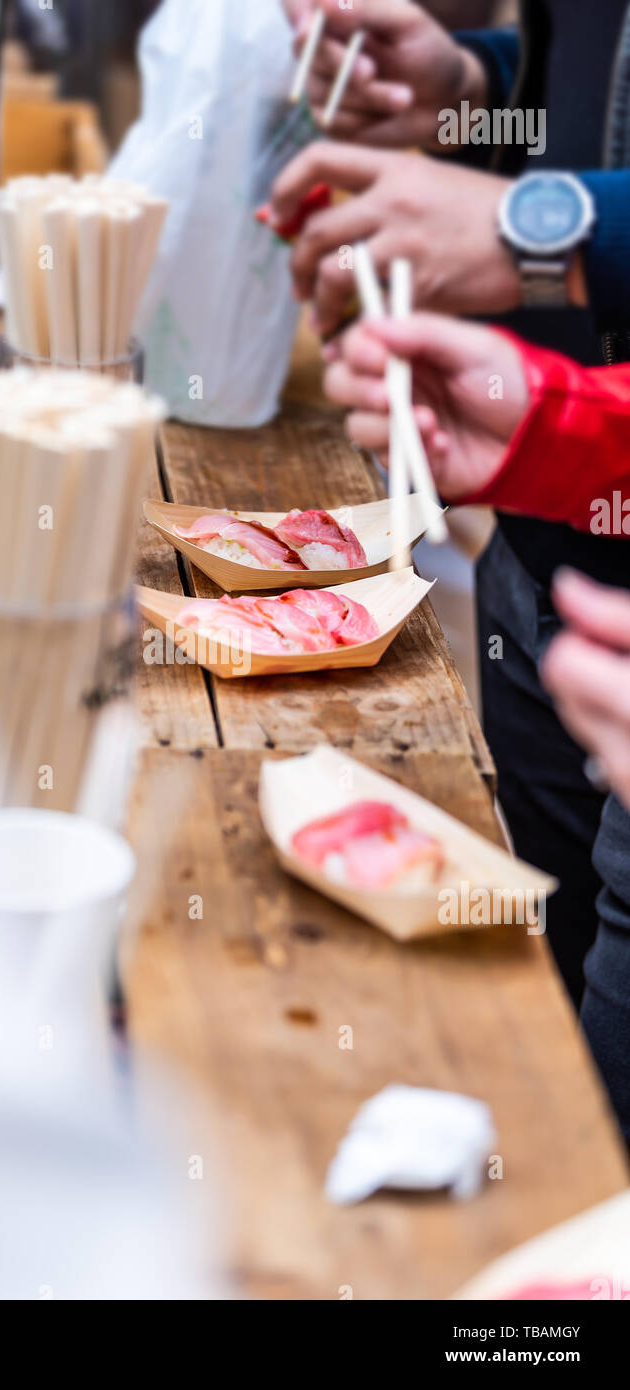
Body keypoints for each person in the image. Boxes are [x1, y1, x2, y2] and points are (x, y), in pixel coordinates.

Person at [272, 0, 630, 1012]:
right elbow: (590, 80)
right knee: (545, 1018)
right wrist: (473, 95)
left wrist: (547, 233)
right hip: (549, 524)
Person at [325, 310, 630, 1141]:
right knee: (545, 992)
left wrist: (535, 232)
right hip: (535, 554)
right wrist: (550, 433)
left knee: (596, 1142)